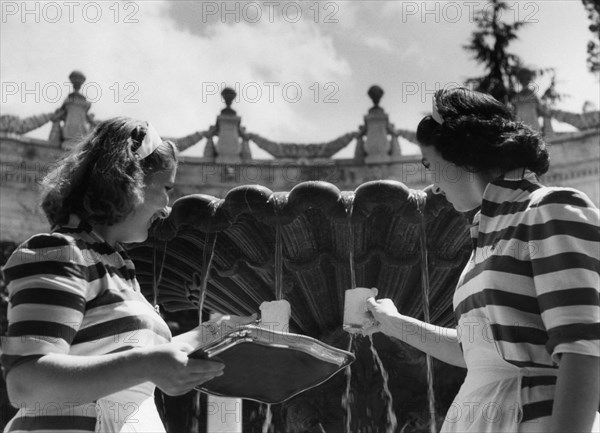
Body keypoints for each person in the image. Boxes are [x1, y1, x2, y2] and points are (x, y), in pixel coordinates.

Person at [365, 88, 599, 432]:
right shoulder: (488, 236)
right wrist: (394, 321)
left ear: (463, 155)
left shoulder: (552, 208)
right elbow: (473, 350)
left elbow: (583, 350)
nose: (433, 187)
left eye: (432, 166)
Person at [1, 117, 253, 432]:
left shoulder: (117, 266)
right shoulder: (58, 252)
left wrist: (225, 329)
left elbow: (153, 354)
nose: (166, 206)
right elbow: (26, 383)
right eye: (166, 188)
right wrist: (147, 365)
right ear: (130, 180)